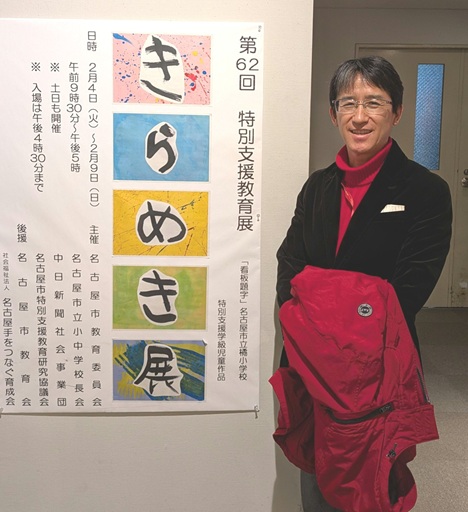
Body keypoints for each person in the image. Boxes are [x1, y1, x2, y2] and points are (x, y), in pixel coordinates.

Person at [275, 56, 453, 511]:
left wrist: (319, 299)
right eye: (348, 103)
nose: (359, 116)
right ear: (333, 113)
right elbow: (289, 269)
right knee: (315, 480)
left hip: (374, 374)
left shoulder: (425, 192)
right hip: (310, 369)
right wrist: (344, 303)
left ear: (397, 112)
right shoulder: (317, 187)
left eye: (374, 103)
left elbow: (406, 291)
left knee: (370, 490)